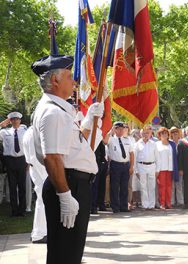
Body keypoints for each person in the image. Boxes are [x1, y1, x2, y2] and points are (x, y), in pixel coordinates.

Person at [30, 54, 103, 263]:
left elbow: (74, 148)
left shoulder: (59, 110)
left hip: (72, 183)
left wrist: (89, 122)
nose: (74, 82)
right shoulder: (53, 112)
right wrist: (65, 196)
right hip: (68, 184)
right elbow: (52, 157)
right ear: (55, 80)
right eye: (70, 77)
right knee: (65, 254)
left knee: (69, 252)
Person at [23, 125, 48, 243]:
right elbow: (37, 156)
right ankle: (39, 233)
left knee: (41, 200)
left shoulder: (28, 131)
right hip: (41, 168)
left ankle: (38, 232)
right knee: (44, 200)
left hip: (35, 168)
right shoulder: (36, 132)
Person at [0, 112, 27, 217]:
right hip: (10, 161)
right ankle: (14, 211)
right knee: (12, 187)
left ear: (20, 120)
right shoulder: (4, 132)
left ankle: (22, 210)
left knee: (22, 187)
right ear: (10, 121)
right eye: (13, 119)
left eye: (17, 119)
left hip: (22, 160)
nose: (15, 121)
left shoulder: (25, 131)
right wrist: (2, 125)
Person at [104, 121, 134, 213]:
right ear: (115, 129)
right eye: (119, 129)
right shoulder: (111, 139)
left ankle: (123, 206)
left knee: (124, 187)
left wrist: (131, 166)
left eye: (122, 129)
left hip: (125, 165)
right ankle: (115, 207)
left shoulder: (127, 139)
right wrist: (110, 131)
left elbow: (131, 153)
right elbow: (104, 141)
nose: (121, 131)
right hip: (115, 165)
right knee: (115, 187)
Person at [132, 125, 158, 210]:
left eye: (147, 133)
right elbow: (135, 158)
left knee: (152, 186)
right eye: (144, 133)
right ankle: (145, 205)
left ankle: (151, 205)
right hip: (141, 166)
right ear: (141, 134)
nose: (146, 134)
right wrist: (136, 170)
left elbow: (157, 157)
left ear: (150, 134)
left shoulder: (154, 144)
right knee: (143, 186)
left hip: (152, 166)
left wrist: (157, 169)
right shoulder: (137, 144)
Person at [156, 127, 178, 209]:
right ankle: (162, 203)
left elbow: (175, 156)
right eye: (162, 133)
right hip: (161, 168)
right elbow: (156, 157)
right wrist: (156, 170)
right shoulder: (157, 144)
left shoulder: (172, 144)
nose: (164, 135)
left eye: (165, 133)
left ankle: (168, 203)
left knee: (169, 186)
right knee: (162, 187)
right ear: (159, 135)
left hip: (170, 168)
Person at [169, 126, 184, 207]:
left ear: (179, 133)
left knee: (179, 185)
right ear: (170, 134)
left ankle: (180, 202)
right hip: (171, 167)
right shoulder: (169, 143)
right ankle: (172, 202)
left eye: (176, 132)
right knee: (172, 185)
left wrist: (182, 168)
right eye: (173, 132)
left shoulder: (182, 143)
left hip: (180, 167)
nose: (175, 134)